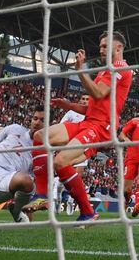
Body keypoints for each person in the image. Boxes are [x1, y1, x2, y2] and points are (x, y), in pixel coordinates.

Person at [29, 31, 133, 223]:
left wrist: (80, 70)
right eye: (100, 46)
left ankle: (87, 211)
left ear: (118, 47)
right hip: (88, 122)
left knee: (60, 161)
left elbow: (98, 93)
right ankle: (42, 194)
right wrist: (69, 106)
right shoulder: (105, 70)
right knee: (40, 135)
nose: (100, 49)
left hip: (101, 128)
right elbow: (93, 106)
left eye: (104, 46)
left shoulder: (121, 68)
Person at [26, 95, 90, 214]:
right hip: (68, 144)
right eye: (83, 99)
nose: (85, 101)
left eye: (87, 100)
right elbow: (61, 125)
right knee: (61, 177)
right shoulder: (72, 113)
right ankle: (55, 198)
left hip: (83, 144)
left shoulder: (93, 115)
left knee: (76, 176)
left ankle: (75, 202)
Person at [119, 117, 139, 217]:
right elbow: (121, 134)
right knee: (126, 189)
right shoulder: (135, 121)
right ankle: (127, 201)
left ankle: (138, 204)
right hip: (132, 157)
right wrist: (126, 139)